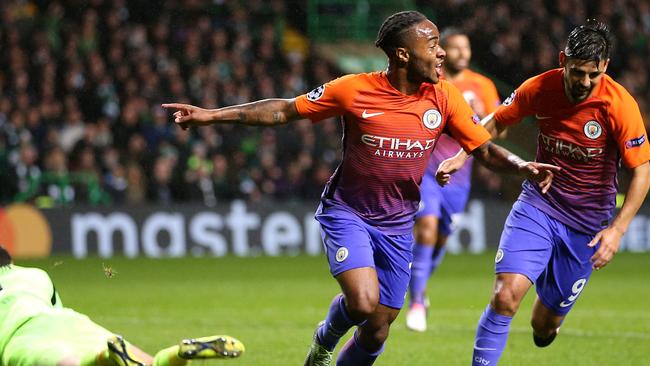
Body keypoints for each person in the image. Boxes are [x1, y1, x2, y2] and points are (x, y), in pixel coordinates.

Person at [163, 10, 559, 366]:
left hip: (398, 222)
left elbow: (483, 149)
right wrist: (211, 116)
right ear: (403, 55)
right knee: (364, 302)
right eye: (433, 45)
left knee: (379, 327)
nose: (441, 54)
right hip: (348, 212)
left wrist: (521, 165)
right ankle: (324, 342)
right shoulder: (354, 89)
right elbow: (284, 110)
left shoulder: (444, 97)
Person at [437, 20, 650, 366]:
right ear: (563, 59)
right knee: (505, 296)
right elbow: (496, 120)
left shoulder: (619, 105)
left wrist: (617, 230)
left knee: (543, 327)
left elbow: (642, 169)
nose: (583, 82)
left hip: (586, 225)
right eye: (577, 72)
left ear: (605, 68)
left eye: (592, 75)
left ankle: (548, 320)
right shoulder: (540, 87)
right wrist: (462, 155)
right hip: (540, 205)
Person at [0, 246, 244, 366]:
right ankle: (173, 355)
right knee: (135, 360)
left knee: (69, 362)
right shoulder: (36, 275)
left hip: (21, 338)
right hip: (69, 322)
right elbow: (56, 310)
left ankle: (104, 358)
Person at [405, 28, 501, 332]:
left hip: (459, 178)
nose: (462, 53)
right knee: (427, 229)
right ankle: (416, 302)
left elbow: (501, 126)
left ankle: (416, 286)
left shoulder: (482, 85)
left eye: (466, 47)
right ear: (442, 51)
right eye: (455, 48)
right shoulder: (431, 81)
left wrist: (479, 118)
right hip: (427, 171)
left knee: (442, 238)